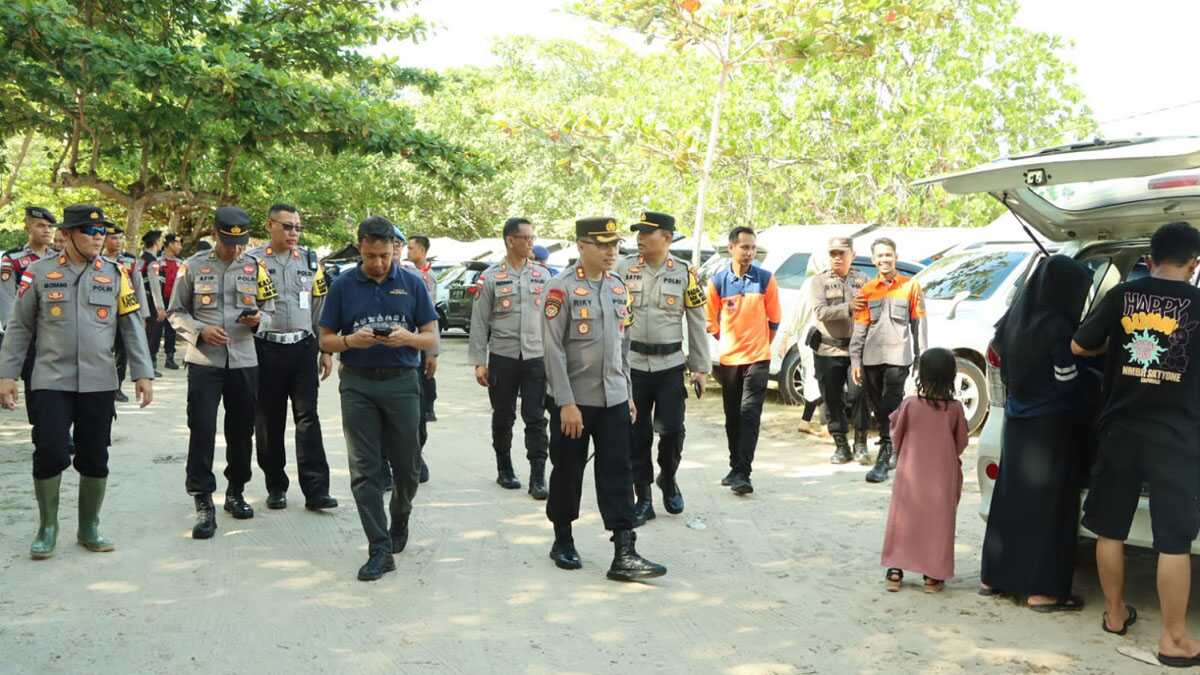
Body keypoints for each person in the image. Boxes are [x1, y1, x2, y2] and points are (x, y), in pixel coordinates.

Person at [1071, 221, 1200, 666]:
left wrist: (1119, 352)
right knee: (1173, 540)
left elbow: (1079, 345)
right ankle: (1174, 639)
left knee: (1110, 527)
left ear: (1148, 259)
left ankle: (1113, 614)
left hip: (1120, 429)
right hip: (1177, 435)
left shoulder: (1123, 297)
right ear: (1194, 264)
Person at [0, 204, 154, 559]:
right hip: (50, 379)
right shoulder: (38, 273)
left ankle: (89, 527)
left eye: (102, 232)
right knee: (51, 450)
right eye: (90, 231)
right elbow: (20, 326)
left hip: (99, 381)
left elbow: (131, 327)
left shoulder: (117, 274)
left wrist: (142, 373)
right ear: (67, 235)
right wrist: (7, 374)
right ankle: (47, 527)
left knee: (95, 455)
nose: (99, 238)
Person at [542, 216, 666, 581]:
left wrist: (626, 391)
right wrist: (565, 402)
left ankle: (624, 550)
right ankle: (562, 538)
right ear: (582, 246)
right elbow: (552, 350)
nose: (611, 252)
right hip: (574, 402)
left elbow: (623, 346)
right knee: (567, 471)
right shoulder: (559, 289)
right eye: (603, 245)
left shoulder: (617, 287)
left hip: (613, 399)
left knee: (617, 472)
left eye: (614, 245)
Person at [318, 216, 439, 581]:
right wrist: (350, 342)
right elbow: (325, 340)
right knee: (365, 471)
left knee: (408, 467)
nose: (379, 264)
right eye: (371, 256)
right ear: (360, 249)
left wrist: (408, 338)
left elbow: (432, 337)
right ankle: (379, 547)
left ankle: (400, 517)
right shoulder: (342, 285)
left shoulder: (412, 283)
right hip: (358, 385)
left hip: (402, 382)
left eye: (386, 255)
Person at [980, 255, 1093, 611]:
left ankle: (993, 578)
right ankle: (1042, 591)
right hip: (1050, 427)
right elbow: (1065, 382)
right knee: (1049, 510)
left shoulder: (1013, 319)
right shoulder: (1058, 327)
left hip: (1016, 422)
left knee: (1011, 501)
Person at [168, 206, 278, 540]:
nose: (235, 249)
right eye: (229, 242)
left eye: (241, 242)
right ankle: (203, 501)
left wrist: (259, 321)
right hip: (205, 362)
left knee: (242, 431)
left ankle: (236, 491)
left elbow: (271, 310)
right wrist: (200, 330)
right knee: (201, 429)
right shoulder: (193, 266)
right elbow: (175, 312)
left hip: (244, 360)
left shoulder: (255, 266)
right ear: (215, 234)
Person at [616, 211, 709, 521]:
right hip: (633, 366)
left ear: (667, 238)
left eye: (647, 233)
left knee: (671, 431)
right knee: (635, 433)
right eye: (638, 233)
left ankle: (667, 478)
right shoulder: (622, 269)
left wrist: (699, 367)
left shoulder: (685, 274)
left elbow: (696, 322)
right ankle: (642, 496)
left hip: (670, 365)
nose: (640, 238)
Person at [247, 204, 337, 512]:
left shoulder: (312, 262)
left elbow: (320, 309)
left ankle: (316, 490)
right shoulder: (252, 262)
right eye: (287, 226)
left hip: (302, 348)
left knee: (308, 419)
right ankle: (275, 485)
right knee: (269, 420)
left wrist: (325, 349)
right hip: (266, 349)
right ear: (270, 225)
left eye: (297, 227)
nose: (294, 233)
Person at [468, 217, 552, 497]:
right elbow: (479, 322)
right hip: (503, 357)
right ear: (510, 240)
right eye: (526, 238)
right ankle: (504, 467)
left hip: (536, 356)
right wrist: (479, 362)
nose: (531, 243)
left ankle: (538, 476)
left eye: (532, 238)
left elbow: (555, 320)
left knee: (536, 417)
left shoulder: (543, 275)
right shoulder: (491, 277)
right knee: (503, 416)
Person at [880, 348, 968, 592]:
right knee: (938, 521)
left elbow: (896, 432)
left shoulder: (910, 404)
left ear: (922, 375)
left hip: (911, 471)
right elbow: (960, 443)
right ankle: (932, 575)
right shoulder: (955, 409)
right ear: (951, 376)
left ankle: (895, 570)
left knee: (904, 518)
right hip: (942, 475)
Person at [705, 226, 781, 496]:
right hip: (729, 360)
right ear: (731, 248)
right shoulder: (717, 282)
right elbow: (710, 321)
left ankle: (743, 473)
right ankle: (734, 465)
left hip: (758, 359)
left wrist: (761, 344)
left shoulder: (765, 280)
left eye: (752, 248)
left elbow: (774, 320)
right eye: (744, 247)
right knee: (732, 417)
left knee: (750, 415)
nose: (749, 253)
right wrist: (726, 342)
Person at [850, 237, 927, 483]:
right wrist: (855, 360)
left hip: (898, 356)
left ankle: (885, 452)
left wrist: (920, 358)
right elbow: (860, 328)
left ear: (896, 257)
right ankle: (893, 446)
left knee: (890, 404)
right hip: (871, 358)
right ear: (874, 260)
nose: (885, 260)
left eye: (889, 255)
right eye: (880, 256)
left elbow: (919, 325)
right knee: (878, 406)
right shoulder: (867, 290)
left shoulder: (911, 286)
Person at [0, 206, 58, 447]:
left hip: (57, 334)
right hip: (31, 335)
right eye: (40, 225)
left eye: (49, 226)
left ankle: (59, 431)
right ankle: (42, 430)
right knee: (35, 385)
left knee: (58, 384)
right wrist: (13, 336)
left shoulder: (58, 257)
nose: (46, 230)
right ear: (27, 227)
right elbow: (6, 300)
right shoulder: (12, 260)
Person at [810, 237, 870, 464]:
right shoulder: (819, 281)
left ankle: (861, 443)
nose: (836, 257)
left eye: (841, 253)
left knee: (858, 395)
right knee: (832, 398)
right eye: (833, 253)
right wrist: (848, 307)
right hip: (828, 349)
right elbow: (821, 312)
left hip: (855, 351)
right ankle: (841, 445)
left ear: (852, 255)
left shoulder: (863, 280)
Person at [103, 225, 149, 403]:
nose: (118, 241)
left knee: (122, 352)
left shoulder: (130, 261)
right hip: (103, 313)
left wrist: (142, 316)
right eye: (114, 238)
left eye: (120, 238)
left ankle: (118, 387)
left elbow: (138, 288)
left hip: (124, 313)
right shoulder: (95, 259)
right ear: (105, 239)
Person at [406, 235, 439, 425]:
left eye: (411, 248)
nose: (407, 252)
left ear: (422, 250)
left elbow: (431, 315)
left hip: (423, 337)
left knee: (427, 377)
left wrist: (433, 351)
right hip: (409, 339)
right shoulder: (407, 272)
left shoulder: (428, 275)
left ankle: (428, 408)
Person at [140, 230, 167, 376]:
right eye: (161, 240)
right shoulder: (153, 262)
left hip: (141, 301)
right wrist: (160, 307)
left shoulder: (141, 258)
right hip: (151, 303)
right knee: (152, 336)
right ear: (156, 243)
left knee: (144, 336)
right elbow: (155, 287)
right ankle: (148, 367)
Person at [159, 233, 183, 369]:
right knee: (154, 330)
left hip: (174, 301)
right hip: (159, 300)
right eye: (177, 243)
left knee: (171, 330)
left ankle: (170, 357)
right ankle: (151, 359)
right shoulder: (157, 261)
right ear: (169, 244)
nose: (180, 246)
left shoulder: (181, 263)